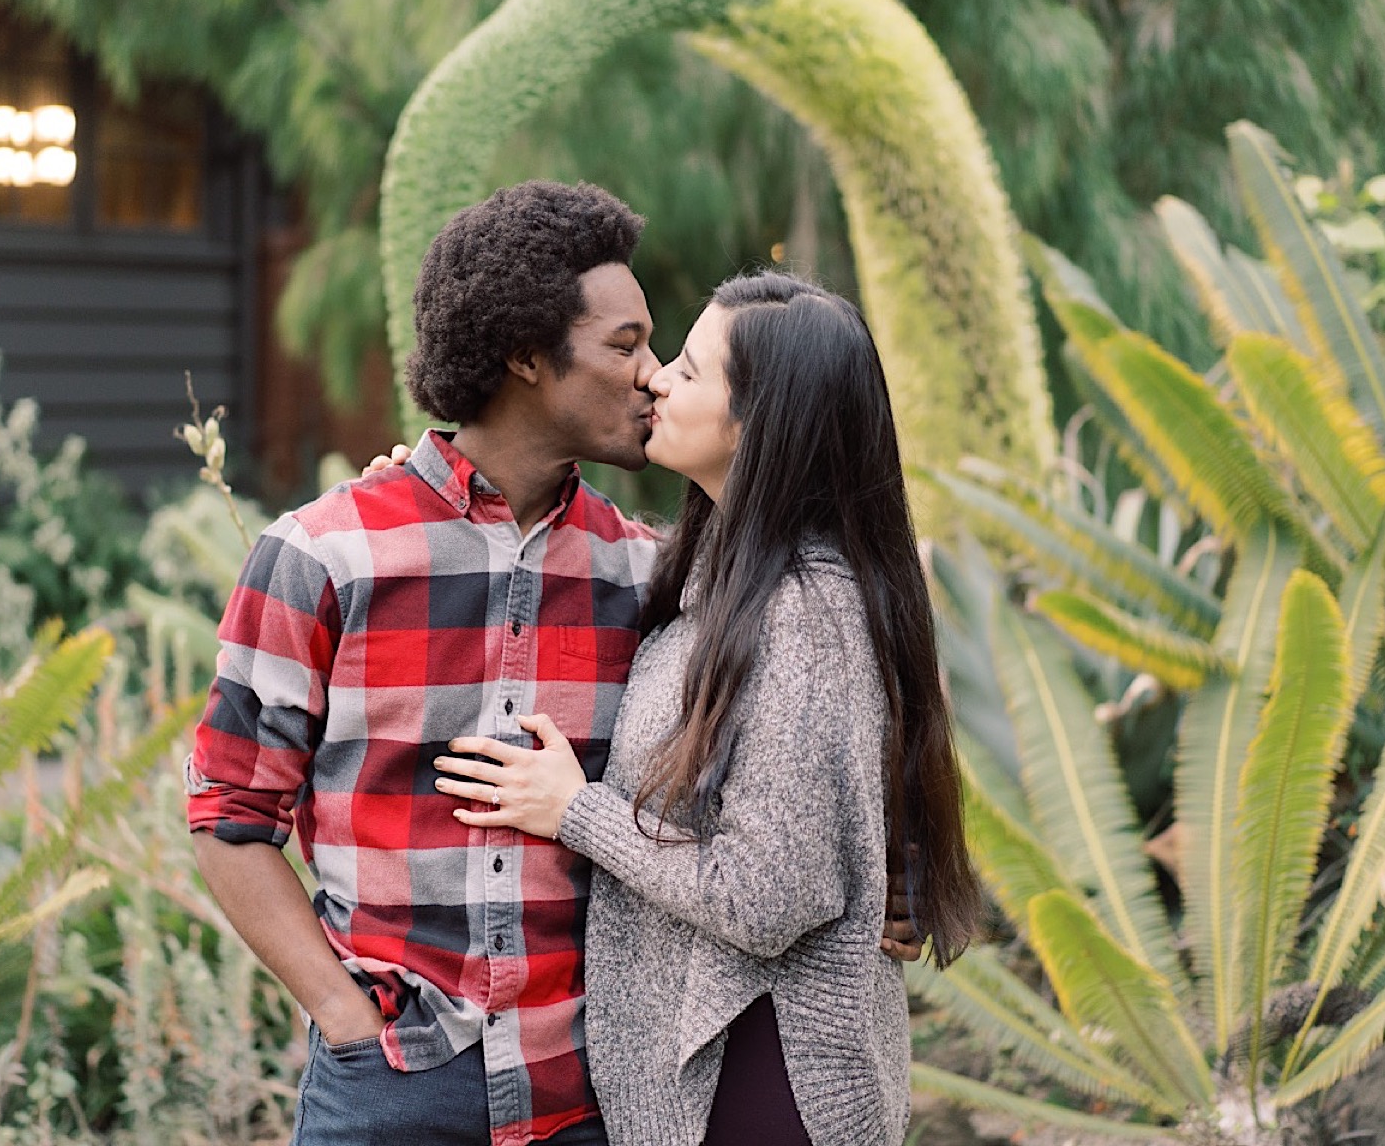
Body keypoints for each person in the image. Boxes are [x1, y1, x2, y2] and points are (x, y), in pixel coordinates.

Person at [186, 182, 922, 1146]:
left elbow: (800, 747)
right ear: (527, 357)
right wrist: (345, 1019)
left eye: (664, 353)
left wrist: (889, 872)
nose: (653, 376)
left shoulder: (655, 578)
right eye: (627, 347)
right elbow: (229, 815)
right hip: (391, 1087)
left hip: (594, 1097)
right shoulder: (322, 558)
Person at [434, 273, 981, 1145]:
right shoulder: (724, 581)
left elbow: (770, 897)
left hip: (759, 1080)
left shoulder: (801, 616)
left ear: (758, 425)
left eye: (688, 371)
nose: (655, 380)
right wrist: (431, 482)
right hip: (719, 1071)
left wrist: (574, 811)